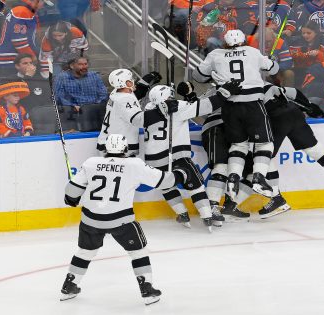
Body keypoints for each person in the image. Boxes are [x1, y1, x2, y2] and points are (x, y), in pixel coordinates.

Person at [60, 133, 195, 304]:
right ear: (125, 148)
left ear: (106, 148)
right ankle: (147, 289)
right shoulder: (134, 165)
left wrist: (71, 200)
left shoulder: (91, 163)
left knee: (85, 252)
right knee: (138, 252)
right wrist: (182, 173)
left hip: (91, 219)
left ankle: (69, 286)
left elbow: (71, 193)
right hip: (120, 220)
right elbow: (166, 182)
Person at [222, 83, 324, 221]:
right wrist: (309, 106)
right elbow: (293, 92)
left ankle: (276, 198)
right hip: (293, 112)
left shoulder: (239, 92)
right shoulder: (261, 82)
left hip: (274, 118)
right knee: (312, 148)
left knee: (264, 157)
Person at [192, 29, 279, 201]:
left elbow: (198, 76)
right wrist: (271, 60)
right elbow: (274, 70)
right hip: (252, 104)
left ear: (224, 42)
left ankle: (233, 178)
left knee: (239, 146)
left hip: (229, 107)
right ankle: (259, 177)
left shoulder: (216, 54)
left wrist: (212, 72)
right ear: (244, 40)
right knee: (265, 144)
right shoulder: (253, 52)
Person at [143, 82, 240, 230]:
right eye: (170, 95)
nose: (172, 97)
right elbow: (205, 106)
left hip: (153, 159)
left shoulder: (148, 110)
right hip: (176, 155)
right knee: (195, 184)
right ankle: (207, 215)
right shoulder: (178, 106)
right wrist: (223, 94)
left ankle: (182, 214)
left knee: (167, 186)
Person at [96, 69, 162, 156]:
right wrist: (161, 111)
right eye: (131, 79)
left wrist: (144, 84)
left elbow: (133, 95)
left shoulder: (115, 93)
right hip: (118, 147)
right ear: (126, 83)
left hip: (107, 142)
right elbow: (139, 120)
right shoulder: (125, 99)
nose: (133, 81)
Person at [53, 56, 108, 132]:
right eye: (80, 64)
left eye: (85, 64)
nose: (84, 67)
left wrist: (95, 105)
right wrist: (72, 106)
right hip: (72, 113)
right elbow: (58, 96)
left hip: (93, 112)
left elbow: (103, 93)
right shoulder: (61, 77)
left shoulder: (95, 76)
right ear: (72, 66)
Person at [0, 0, 44, 75]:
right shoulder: (22, 11)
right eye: (42, 2)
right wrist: (33, 57)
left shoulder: (26, 10)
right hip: (11, 61)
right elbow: (18, 42)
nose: (43, 5)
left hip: (18, 59)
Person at [289, 20, 324, 86]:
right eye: (303, 33)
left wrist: (319, 53)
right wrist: (307, 54)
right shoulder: (296, 42)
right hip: (300, 72)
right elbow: (294, 56)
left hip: (318, 72)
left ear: (316, 32)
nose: (305, 35)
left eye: (308, 33)